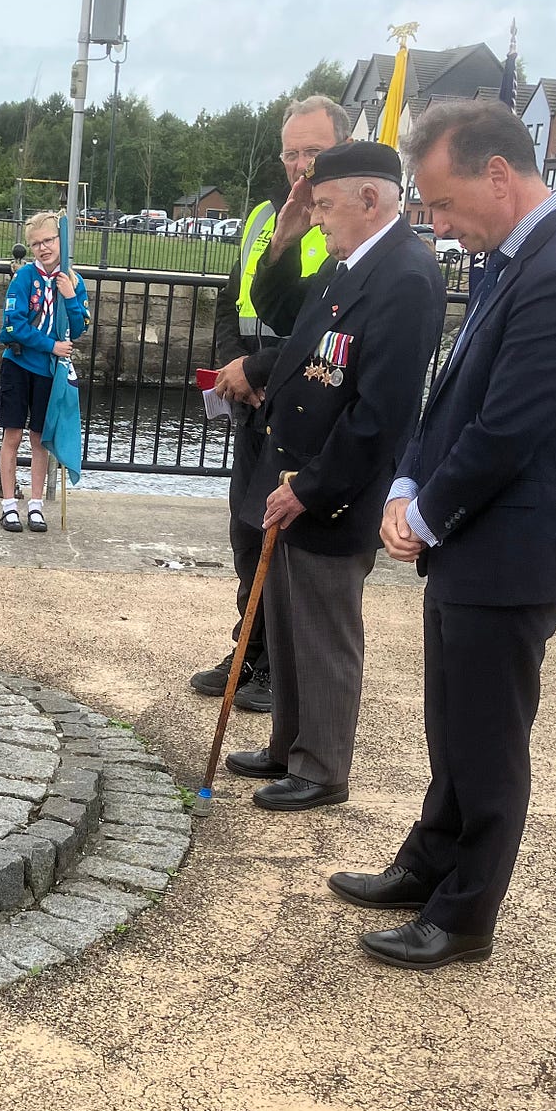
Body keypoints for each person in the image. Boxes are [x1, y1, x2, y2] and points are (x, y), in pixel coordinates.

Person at [336, 100, 556, 971]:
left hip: (517, 550)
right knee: (453, 724)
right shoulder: (517, 258)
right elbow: (453, 392)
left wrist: (421, 518)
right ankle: (431, 863)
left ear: (499, 174)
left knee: (489, 740)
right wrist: (408, 480)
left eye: (446, 204)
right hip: (479, 541)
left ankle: (465, 915)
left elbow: (507, 430)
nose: (440, 225)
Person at [226, 140, 445, 812]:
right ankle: (289, 745)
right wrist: (286, 238)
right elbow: (292, 334)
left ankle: (323, 768)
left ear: (370, 199)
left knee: (324, 632)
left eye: (325, 204)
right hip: (295, 474)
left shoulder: (405, 277)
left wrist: (314, 486)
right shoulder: (350, 265)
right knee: (289, 622)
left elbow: (380, 414)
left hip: (334, 489)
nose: (318, 216)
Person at [193, 96, 348, 706]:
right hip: (253, 400)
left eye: (313, 151)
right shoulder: (264, 216)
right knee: (245, 528)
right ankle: (249, 650)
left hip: (305, 399)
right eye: (292, 152)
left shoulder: (342, 227)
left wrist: (259, 369)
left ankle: (278, 665)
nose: (300, 164)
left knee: (282, 538)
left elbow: (321, 328)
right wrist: (236, 366)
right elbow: (235, 298)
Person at [0, 211, 90, 533]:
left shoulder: (74, 281)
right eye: (36, 244)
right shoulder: (23, 278)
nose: (43, 248)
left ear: (61, 240)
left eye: (48, 240)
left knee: (40, 439)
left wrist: (70, 297)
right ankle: (9, 504)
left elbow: (78, 327)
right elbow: (13, 325)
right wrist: (49, 346)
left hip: (49, 373)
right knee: (13, 435)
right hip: (19, 364)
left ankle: (35, 504)